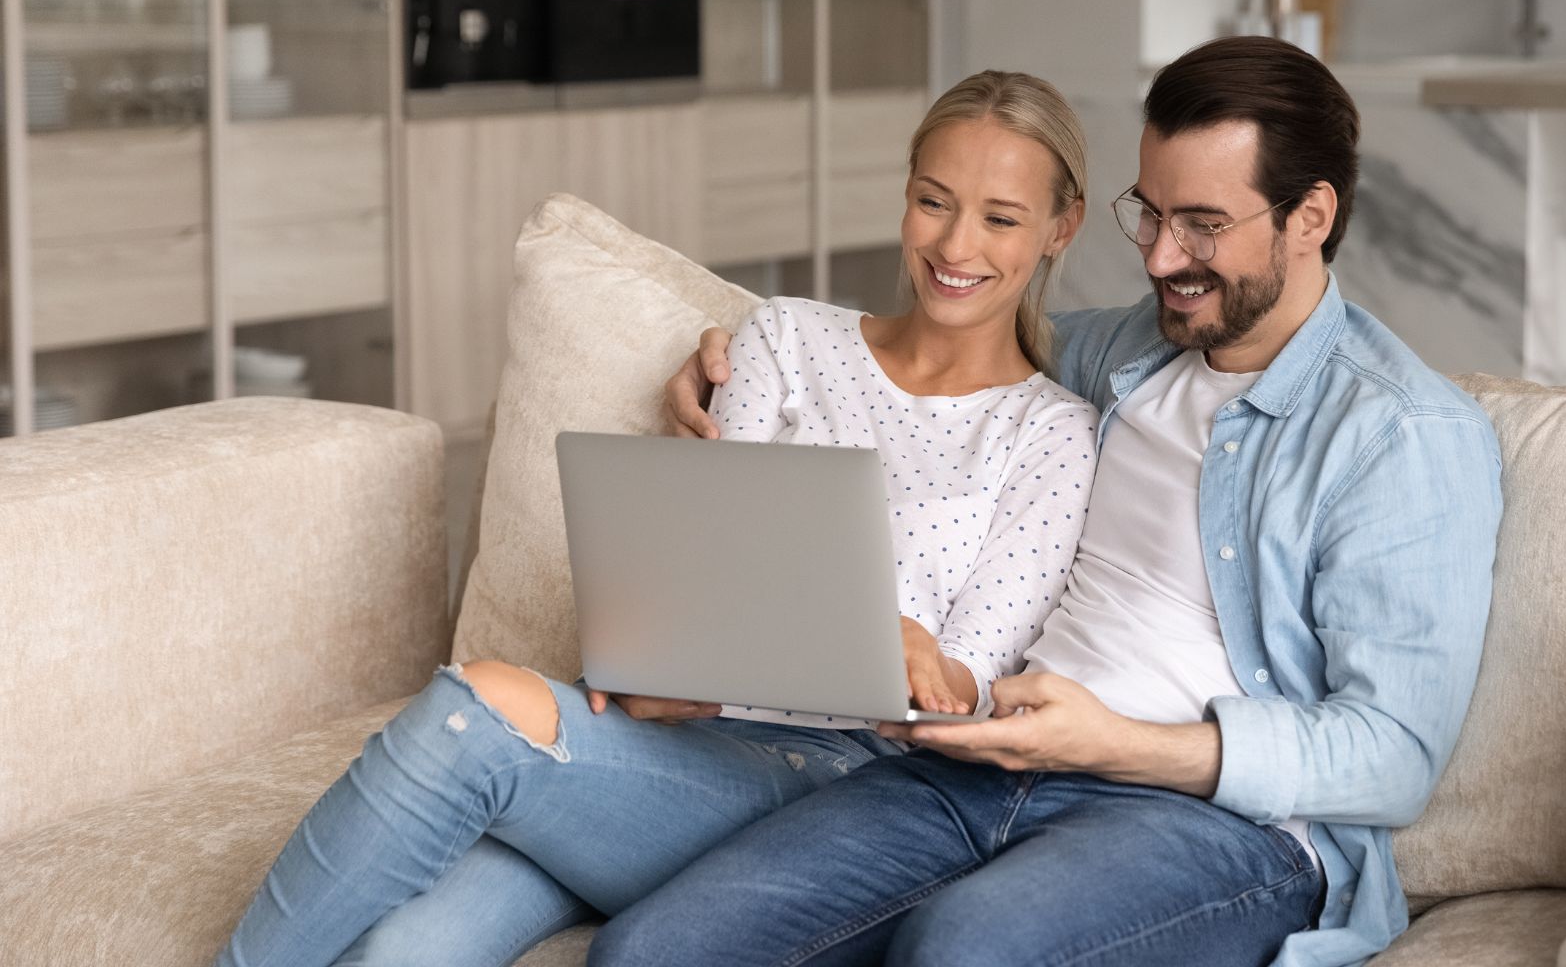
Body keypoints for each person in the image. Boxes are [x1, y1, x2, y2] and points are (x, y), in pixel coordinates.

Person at [614, 35, 1504, 967]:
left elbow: (1392, 757)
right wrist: (722, 353)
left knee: (964, 950)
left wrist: (1116, 743)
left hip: (1207, 822)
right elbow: (927, 334)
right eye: (1149, 215)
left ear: (1310, 216)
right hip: (973, 768)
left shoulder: (1401, 435)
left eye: (1203, 223)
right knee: (653, 949)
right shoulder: (1116, 354)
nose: (1162, 259)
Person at [215, 70, 1100, 967]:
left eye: (1001, 217)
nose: (956, 244)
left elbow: (970, 697)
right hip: (666, 740)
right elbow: (699, 565)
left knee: (478, 708)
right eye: (933, 202)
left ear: (1059, 227)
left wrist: (893, 645)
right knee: (400, 953)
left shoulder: (1051, 436)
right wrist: (660, 655)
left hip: (842, 793)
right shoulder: (786, 338)